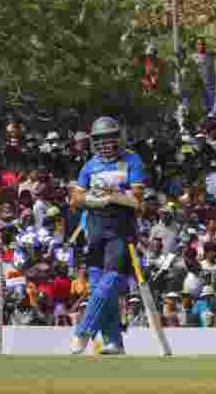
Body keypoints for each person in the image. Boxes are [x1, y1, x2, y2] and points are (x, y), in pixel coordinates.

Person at [69, 116, 146, 355]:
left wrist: (114, 195)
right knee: (97, 286)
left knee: (109, 283)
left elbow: (137, 201)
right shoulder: (90, 165)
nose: (106, 144)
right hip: (95, 230)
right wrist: (96, 198)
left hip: (121, 231)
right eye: (100, 140)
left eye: (110, 138)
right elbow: (75, 200)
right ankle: (113, 341)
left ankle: (83, 331)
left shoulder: (132, 160)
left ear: (119, 138)